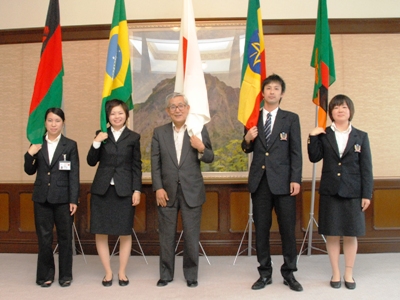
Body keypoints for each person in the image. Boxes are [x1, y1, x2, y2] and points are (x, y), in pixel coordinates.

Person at [241, 74, 303, 292]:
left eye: (276, 88)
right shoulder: (252, 118)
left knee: (288, 229)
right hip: (260, 182)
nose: (272, 92)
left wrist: (296, 179)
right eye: (268, 88)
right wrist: (247, 139)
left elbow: (296, 152)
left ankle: (289, 273)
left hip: (285, 183)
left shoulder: (291, 118)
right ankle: (264, 273)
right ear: (263, 93)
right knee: (262, 230)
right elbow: (247, 148)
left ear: (281, 93)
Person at [307, 94, 373, 290]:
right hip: (330, 191)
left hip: (353, 192)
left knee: (351, 235)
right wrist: (312, 137)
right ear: (331, 113)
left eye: (344, 107)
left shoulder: (361, 136)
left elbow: (366, 168)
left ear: (350, 110)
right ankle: (336, 272)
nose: (340, 110)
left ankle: (349, 273)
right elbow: (314, 157)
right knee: (333, 234)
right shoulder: (324, 133)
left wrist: (366, 194)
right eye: (336, 108)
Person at [151, 92, 214, 288]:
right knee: (166, 236)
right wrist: (158, 188)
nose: (177, 109)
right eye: (173, 106)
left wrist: (201, 147)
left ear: (187, 109)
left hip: (192, 191)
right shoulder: (159, 132)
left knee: (191, 236)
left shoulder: (198, 129)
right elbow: (155, 163)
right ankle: (166, 274)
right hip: (166, 192)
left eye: (181, 106)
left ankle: (191, 275)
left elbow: (210, 157)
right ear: (167, 111)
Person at [87, 99, 142, 287]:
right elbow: (90, 161)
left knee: (124, 232)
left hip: (125, 190)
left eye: (120, 113)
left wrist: (137, 190)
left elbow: (136, 166)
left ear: (126, 115)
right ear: (107, 116)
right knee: (101, 232)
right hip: (102, 190)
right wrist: (96, 143)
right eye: (112, 113)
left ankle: (122, 272)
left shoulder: (134, 137)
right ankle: (108, 272)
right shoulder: (101, 135)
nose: (116, 116)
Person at [24, 107, 80, 288]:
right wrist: (29, 154)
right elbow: (29, 170)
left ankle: (65, 275)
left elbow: (74, 175)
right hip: (41, 199)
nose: (53, 124)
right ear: (45, 123)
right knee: (44, 239)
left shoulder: (70, 145)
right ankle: (45, 275)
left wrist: (74, 199)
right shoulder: (37, 143)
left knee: (65, 238)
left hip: (63, 199)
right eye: (50, 120)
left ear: (63, 123)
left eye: (57, 120)